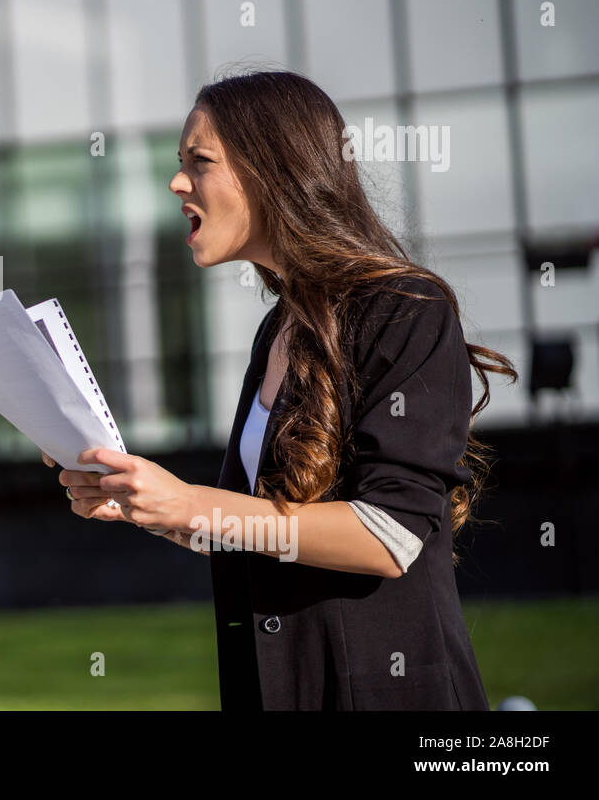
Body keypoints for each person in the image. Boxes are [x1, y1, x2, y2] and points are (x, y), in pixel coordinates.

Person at [49, 70, 516, 710]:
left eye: (199, 162)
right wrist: (141, 502)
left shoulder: (407, 309)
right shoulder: (280, 329)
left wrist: (187, 504)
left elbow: (391, 536)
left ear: (274, 171)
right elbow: (250, 525)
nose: (176, 182)